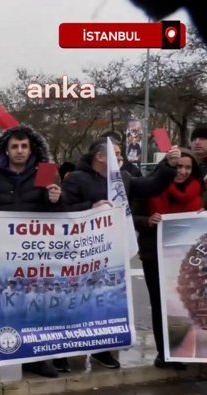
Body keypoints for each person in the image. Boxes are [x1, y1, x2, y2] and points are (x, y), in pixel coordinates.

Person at [62, 136, 180, 370]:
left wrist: (169, 166)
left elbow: (151, 186)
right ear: (100, 156)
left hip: (112, 252)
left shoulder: (123, 178)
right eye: (116, 153)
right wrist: (90, 208)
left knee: (106, 303)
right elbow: (63, 209)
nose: (121, 157)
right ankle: (70, 351)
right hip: (83, 254)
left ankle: (102, 350)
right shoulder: (76, 179)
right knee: (80, 302)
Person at [0, 124, 63, 380]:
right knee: (0, 304)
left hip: (35, 256)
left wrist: (56, 199)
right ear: (6, 150)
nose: (20, 151)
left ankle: (36, 358)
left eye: (24, 146)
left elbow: (52, 211)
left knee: (36, 305)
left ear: (31, 149)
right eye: (15, 146)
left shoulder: (44, 173)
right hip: (1, 256)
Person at [134, 153, 202, 370]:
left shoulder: (200, 191)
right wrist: (147, 221)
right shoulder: (149, 189)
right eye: (178, 166)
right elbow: (132, 217)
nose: (182, 172)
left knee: (186, 304)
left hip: (189, 260)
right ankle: (165, 352)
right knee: (159, 304)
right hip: (154, 255)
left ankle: (186, 350)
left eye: (187, 168)